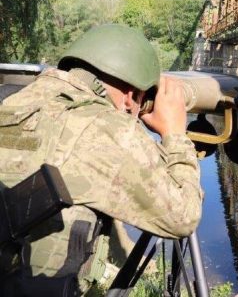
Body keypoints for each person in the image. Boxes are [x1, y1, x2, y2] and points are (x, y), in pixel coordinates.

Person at [0, 24, 203, 295]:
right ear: (131, 96)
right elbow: (183, 217)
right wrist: (175, 134)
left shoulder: (15, 101)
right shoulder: (111, 129)